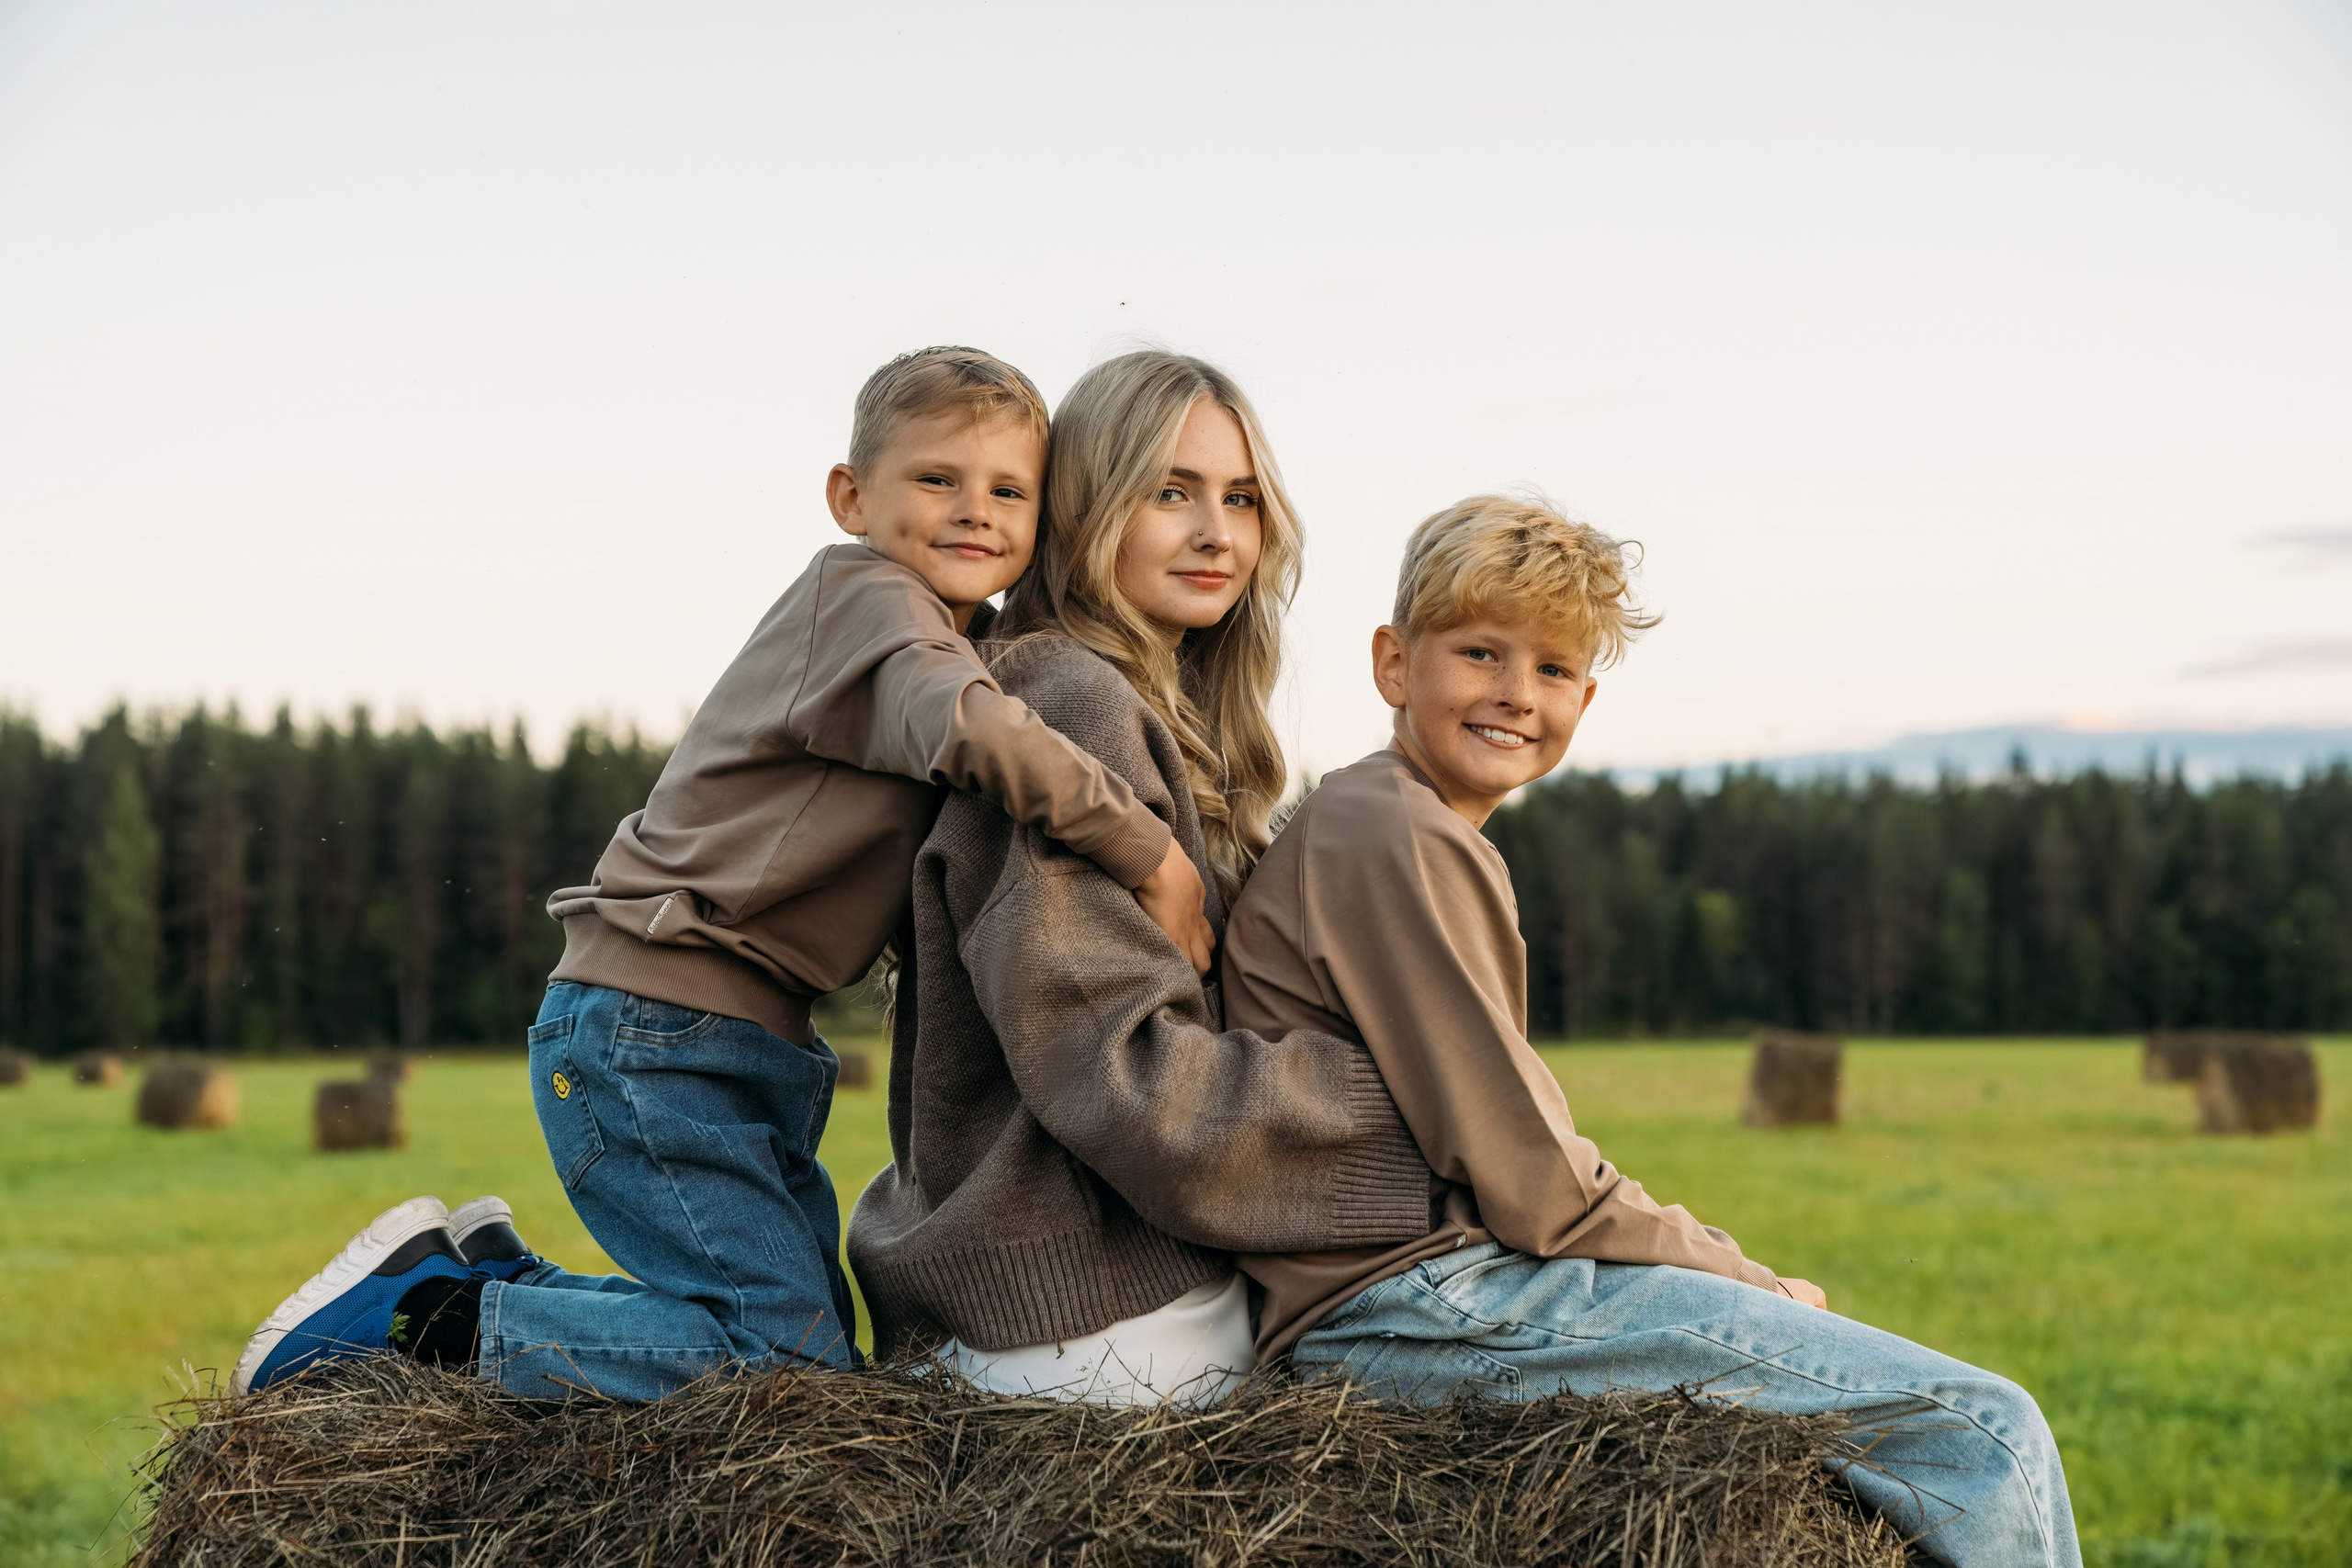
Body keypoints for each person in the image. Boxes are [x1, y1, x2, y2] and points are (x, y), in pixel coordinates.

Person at [233, 345, 1220, 1400]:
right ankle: (415, 1327)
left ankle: (479, 1283)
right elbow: (968, 728)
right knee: (778, 1364)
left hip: (728, 1039)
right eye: (937, 479)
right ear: (850, 497)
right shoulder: (871, 607)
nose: (973, 510)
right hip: (655, 1031)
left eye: (1007, 490)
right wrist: (1150, 853)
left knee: (801, 1345)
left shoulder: (935, 630)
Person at [1218, 493, 2081, 1567]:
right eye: (1479, 652)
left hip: (1415, 1298)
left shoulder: (1388, 822)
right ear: (1395, 664)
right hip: (1414, 1311)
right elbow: (1536, 1189)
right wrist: (1746, 1278)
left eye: (1552, 669)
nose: (1514, 695)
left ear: (1585, 695)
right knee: (1982, 1431)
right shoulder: (1393, 832)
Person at [847, 350, 1433, 1404]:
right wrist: (1428, 1122)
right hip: (1096, 1318)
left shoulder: (1143, 711)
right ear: (1086, 505)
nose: (1217, 533)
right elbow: (1129, 1080)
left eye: (1241, 500)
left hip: (1089, 1302)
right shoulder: (1066, 700)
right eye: (1171, 492)